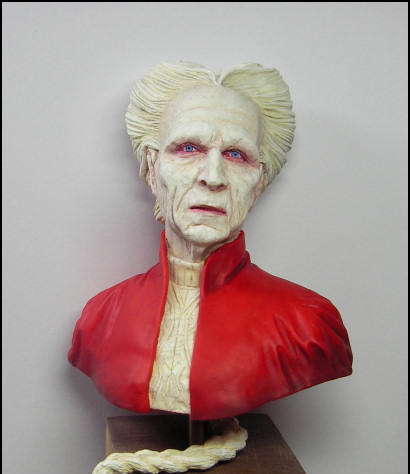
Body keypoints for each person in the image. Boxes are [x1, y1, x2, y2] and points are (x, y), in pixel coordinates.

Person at [68, 62, 353, 421]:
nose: (213, 177)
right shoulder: (100, 318)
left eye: (236, 155)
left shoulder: (309, 324)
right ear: (153, 170)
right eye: (189, 148)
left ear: (258, 182)